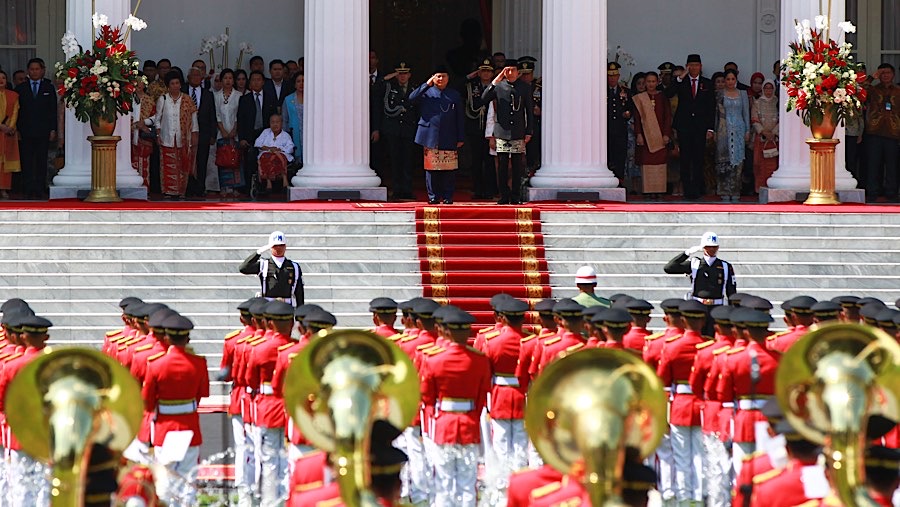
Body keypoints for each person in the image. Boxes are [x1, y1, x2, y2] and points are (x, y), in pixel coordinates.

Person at [419, 308, 491, 507]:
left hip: (444, 423)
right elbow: (483, 396)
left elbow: (427, 396)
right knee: (467, 482)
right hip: (469, 422)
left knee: (444, 480)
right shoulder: (480, 360)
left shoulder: (434, 359)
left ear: (446, 331)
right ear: (467, 332)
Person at [141, 313, 209, 506]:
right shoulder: (198, 363)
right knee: (188, 478)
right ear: (187, 338)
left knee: (165, 478)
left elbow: (147, 401)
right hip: (189, 425)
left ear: (167, 338)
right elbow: (202, 393)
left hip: (165, 427)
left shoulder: (155, 364)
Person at [246, 300, 294, 506]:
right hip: (292, 406)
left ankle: (270, 500)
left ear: (270, 324)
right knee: (289, 457)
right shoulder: (294, 347)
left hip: (268, 405)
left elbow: (250, 379)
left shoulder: (260, 348)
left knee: (269, 459)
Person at [409, 66, 465, 205]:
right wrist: (427, 84)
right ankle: (433, 196)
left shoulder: (454, 94)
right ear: (433, 77)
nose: (441, 79)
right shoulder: (426, 92)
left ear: (448, 78)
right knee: (431, 168)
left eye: (443, 76)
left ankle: (447, 196)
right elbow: (411, 98)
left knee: (449, 168)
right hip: (429, 134)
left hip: (449, 134)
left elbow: (460, 117)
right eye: (438, 76)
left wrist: (460, 137)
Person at [482, 60, 534, 204]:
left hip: (518, 131)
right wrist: (496, 80)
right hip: (501, 131)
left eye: (513, 70)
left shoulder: (524, 87)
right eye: (508, 70)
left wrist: (528, 131)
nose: (510, 73)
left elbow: (529, 110)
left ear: (518, 73)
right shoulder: (499, 86)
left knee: (517, 166)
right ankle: (504, 195)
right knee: (502, 166)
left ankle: (515, 196)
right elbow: (484, 98)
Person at [664, 231, 737, 334]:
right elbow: (669, 268)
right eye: (708, 246)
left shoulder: (725, 266)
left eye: (714, 247)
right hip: (698, 308)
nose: (712, 249)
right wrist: (687, 253)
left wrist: (732, 312)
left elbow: (732, 292)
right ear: (703, 247)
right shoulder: (695, 264)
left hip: (717, 308)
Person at [666, 54, 716, 200]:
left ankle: (697, 188)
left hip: (700, 126)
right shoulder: (681, 82)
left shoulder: (707, 83)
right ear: (687, 66)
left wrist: (710, 128)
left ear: (700, 66)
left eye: (696, 65)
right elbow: (668, 93)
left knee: (699, 158)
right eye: (691, 65)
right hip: (684, 126)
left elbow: (711, 107)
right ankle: (687, 190)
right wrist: (680, 78)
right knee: (685, 159)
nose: (694, 68)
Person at [146, 71, 198, 200]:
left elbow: (194, 119)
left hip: (184, 138)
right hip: (167, 137)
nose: (175, 86)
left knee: (182, 164)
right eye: (172, 83)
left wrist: (195, 134)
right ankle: (169, 191)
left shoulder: (187, 99)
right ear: (168, 86)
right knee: (168, 164)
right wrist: (158, 133)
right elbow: (158, 119)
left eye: (177, 83)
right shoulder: (163, 99)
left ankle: (181, 191)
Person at [14, 58, 57, 200]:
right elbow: (17, 112)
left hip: (43, 131)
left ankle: (39, 188)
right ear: (28, 71)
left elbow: (52, 110)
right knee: (26, 161)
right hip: (25, 131)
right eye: (32, 69)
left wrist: (53, 129)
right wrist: (17, 130)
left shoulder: (48, 88)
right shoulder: (21, 88)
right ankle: (27, 188)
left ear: (42, 70)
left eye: (37, 69)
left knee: (41, 161)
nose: (34, 72)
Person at [382, 62, 418, 201]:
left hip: (409, 129)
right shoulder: (389, 87)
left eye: (404, 74)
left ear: (409, 75)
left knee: (408, 161)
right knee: (395, 161)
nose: (402, 77)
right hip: (394, 130)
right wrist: (390, 77)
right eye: (399, 74)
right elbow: (377, 86)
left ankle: (407, 190)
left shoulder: (414, 88)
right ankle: (397, 190)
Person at [239, 230, 305, 307]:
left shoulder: (294, 266)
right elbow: (243, 268)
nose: (278, 248)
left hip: (287, 307)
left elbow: (299, 291)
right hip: (268, 307)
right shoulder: (264, 264)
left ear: (285, 246)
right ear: (270, 247)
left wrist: (301, 313)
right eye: (275, 245)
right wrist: (258, 252)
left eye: (281, 245)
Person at [864, 63, 900, 202]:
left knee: (892, 165)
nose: (885, 75)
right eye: (882, 73)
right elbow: (859, 92)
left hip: (893, 133)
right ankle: (873, 192)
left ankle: (891, 193)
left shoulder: (898, 91)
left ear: (893, 75)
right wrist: (872, 78)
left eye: (888, 73)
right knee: (873, 164)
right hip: (875, 132)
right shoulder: (873, 90)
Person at [634, 71, 673, 197]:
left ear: (657, 82)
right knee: (647, 161)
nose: (651, 84)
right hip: (646, 136)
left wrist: (667, 134)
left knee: (660, 161)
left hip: (660, 135)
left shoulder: (662, 97)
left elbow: (668, 117)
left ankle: (659, 189)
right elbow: (637, 118)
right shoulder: (640, 98)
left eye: (653, 81)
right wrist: (639, 134)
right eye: (648, 81)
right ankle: (649, 190)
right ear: (645, 83)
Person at [714, 69, 751, 201]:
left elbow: (746, 113)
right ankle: (724, 190)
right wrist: (715, 131)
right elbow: (716, 116)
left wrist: (747, 131)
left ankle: (735, 190)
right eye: (727, 79)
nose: (730, 82)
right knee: (724, 161)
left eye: (732, 79)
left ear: (736, 80)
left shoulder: (743, 94)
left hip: (739, 130)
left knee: (738, 161)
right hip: (723, 130)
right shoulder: (720, 94)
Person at [238, 70, 276, 195]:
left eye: (258, 79)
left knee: (266, 160)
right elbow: (241, 120)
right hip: (250, 134)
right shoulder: (244, 99)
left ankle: (265, 187)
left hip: (266, 134)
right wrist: (242, 138)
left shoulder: (270, 97)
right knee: (249, 161)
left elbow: (274, 117)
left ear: (263, 82)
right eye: (253, 79)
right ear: (250, 82)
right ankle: (249, 187)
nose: (256, 82)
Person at [464, 58, 496, 199]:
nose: (486, 74)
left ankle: (490, 190)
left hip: (492, 130)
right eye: (483, 71)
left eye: (488, 71)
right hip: (475, 128)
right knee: (476, 160)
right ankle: (477, 189)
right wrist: (469, 76)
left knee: (490, 161)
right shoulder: (471, 85)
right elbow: (455, 86)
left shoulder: (497, 86)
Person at [186, 67, 216, 198]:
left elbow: (212, 115)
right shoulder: (182, 91)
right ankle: (187, 187)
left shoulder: (208, 94)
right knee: (187, 161)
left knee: (202, 161)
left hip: (203, 133)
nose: (196, 78)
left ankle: (200, 188)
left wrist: (213, 134)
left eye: (198, 76)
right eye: (193, 76)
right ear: (188, 78)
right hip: (186, 133)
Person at [213, 68, 243, 198]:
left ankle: (236, 186)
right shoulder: (216, 95)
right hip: (222, 132)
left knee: (235, 159)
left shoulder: (238, 95)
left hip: (234, 132)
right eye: (225, 78)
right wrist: (223, 130)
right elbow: (217, 114)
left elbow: (239, 114)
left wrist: (234, 130)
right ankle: (224, 186)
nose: (228, 80)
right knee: (223, 158)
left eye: (230, 78)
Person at [607, 62, 633, 185]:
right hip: (605, 131)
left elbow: (631, 108)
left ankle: (619, 181)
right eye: (609, 76)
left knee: (619, 156)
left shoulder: (625, 91)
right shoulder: (600, 90)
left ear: (618, 76)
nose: (612, 78)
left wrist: (628, 114)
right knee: (607, 156)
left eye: (614, 75)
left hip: (620, 130)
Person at [751, 79, 779, 192]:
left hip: (774, 139)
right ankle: (760, 189)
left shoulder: (778, 102)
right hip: (761, 139)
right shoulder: (757, 103)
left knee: (773, 164)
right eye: (766, 88)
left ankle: (773, 189)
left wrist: (774, 132)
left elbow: (782, 119)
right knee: (759, 165)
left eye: (770, 88)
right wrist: (763, 132)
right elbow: (754, 119)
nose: (768, 91)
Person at [254, 114, 293, 193]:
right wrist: (269, 149)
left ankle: (284, 179)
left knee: (277, 157)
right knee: (267, 157)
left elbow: (290, 147)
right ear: (269, 123)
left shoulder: (286, 135)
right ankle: (269, 182)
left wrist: (279, 149)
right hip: (267, 153)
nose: (275, 124)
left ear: (281, 123)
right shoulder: (265, 132)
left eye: (277, 122)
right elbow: (257, 143)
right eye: (273, 122)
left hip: (280, 153)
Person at [0, 70, 20, 200]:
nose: (1, 80)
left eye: (3, 77)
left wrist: (10, 127)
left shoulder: (13, 95)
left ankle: (4, 189)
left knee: (5, 164)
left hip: (8, 134)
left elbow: (15, 112)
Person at [626, 72, 647, 194]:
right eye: (639, 83)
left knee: (645, 159)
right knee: (632, 158)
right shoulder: (631, 97)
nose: (641, 86)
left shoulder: (651, 97)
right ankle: (634, 187)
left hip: (647, 132)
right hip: (632, 131)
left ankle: (646, 186)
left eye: (643, 83)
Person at [281, 71, 304, 167]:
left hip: (312, 135)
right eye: (298, 81)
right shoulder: (288, 99)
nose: (301, 84)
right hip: (294, 133)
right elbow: (284, 119)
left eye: (303, 81)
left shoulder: (314, 98)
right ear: (294, 84)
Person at [370, 50, 386, 178]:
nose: (370, 61)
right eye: (368, 58)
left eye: (373, 58)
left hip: (380, 123)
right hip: (358, 126)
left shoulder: (385, 79)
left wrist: (377, 128)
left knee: (378, 155)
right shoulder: (355, 77)